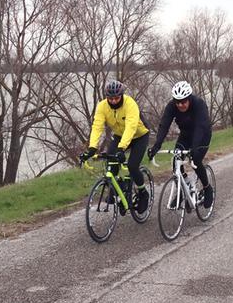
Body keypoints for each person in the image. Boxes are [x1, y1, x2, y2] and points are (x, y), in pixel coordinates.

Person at [80, 80, 151, 213]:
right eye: (110, 98)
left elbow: (131, 127)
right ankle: (118, 188)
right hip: (119, 135)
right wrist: (92, 148)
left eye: (116, 98)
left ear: (122, 95)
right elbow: (97, 127)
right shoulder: (102, 106)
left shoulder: (130, 104)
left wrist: (121, 149)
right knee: (111, 162)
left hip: (139, 135)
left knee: (132, 166)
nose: (113, 101)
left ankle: (143, 193)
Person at [147, 81, 214, 208]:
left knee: (196, 160)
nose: (180, 105)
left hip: (202, 135)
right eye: (177, 102)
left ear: (189, 98)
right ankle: (183, 190)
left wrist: (194, 148)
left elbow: (200, 127)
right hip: (185, 135)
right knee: (176, 162)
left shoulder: (199, 104)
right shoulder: (171, 106)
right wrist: (156, 146)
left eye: (183, 102)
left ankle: (207, 188)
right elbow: (164, 125)